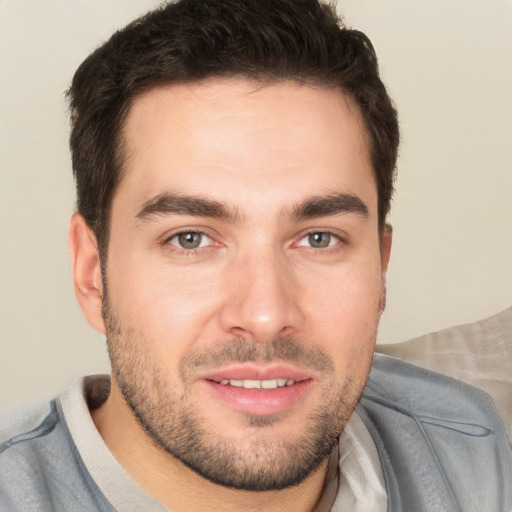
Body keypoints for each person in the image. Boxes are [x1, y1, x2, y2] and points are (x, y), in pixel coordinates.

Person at [0, 0, 510, 510]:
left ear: (380, 266)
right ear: (93, 275)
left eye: (319, 239)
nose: (265, 316)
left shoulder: (466, 446)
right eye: (190, 239)